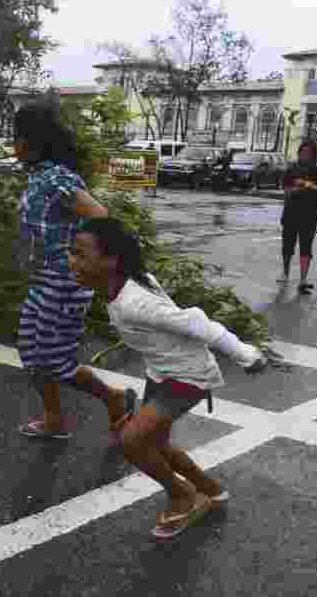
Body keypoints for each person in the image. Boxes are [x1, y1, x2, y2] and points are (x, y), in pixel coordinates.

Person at [69, 216, 268, 539]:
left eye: (80, 254)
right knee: (155, 444)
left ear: (111, 260)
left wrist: (246, 354)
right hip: (163, 372)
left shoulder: (136, 302)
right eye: (72, 252)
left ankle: (182, 495)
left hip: (187, 376)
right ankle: (211, 490)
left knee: (132, 440)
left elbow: (197, 323)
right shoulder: (122, 286)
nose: (72, 261)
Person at [13, 101, 136, 441]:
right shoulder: (38, 176)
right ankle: (54, 420)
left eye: (18, 138)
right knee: (31, 352)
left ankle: (115, 399)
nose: (14, 145)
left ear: (34, 142)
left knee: (54, 359)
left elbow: (99, 214)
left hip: (64, 282)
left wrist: (81, 256)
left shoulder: (57, 178)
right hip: (42, 279)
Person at [280, 141, 317, 294]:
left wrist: (306, 184)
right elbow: (286, 190)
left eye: (309, 152)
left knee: (306, 247)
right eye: (303, 152)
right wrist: (295, 189)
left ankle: (303, 279)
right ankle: (285, 273)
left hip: (309, 214)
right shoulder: (291, 169)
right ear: (299, 153)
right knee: (287, 246)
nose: (305, 155)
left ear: (313, 155)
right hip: (291, 213)